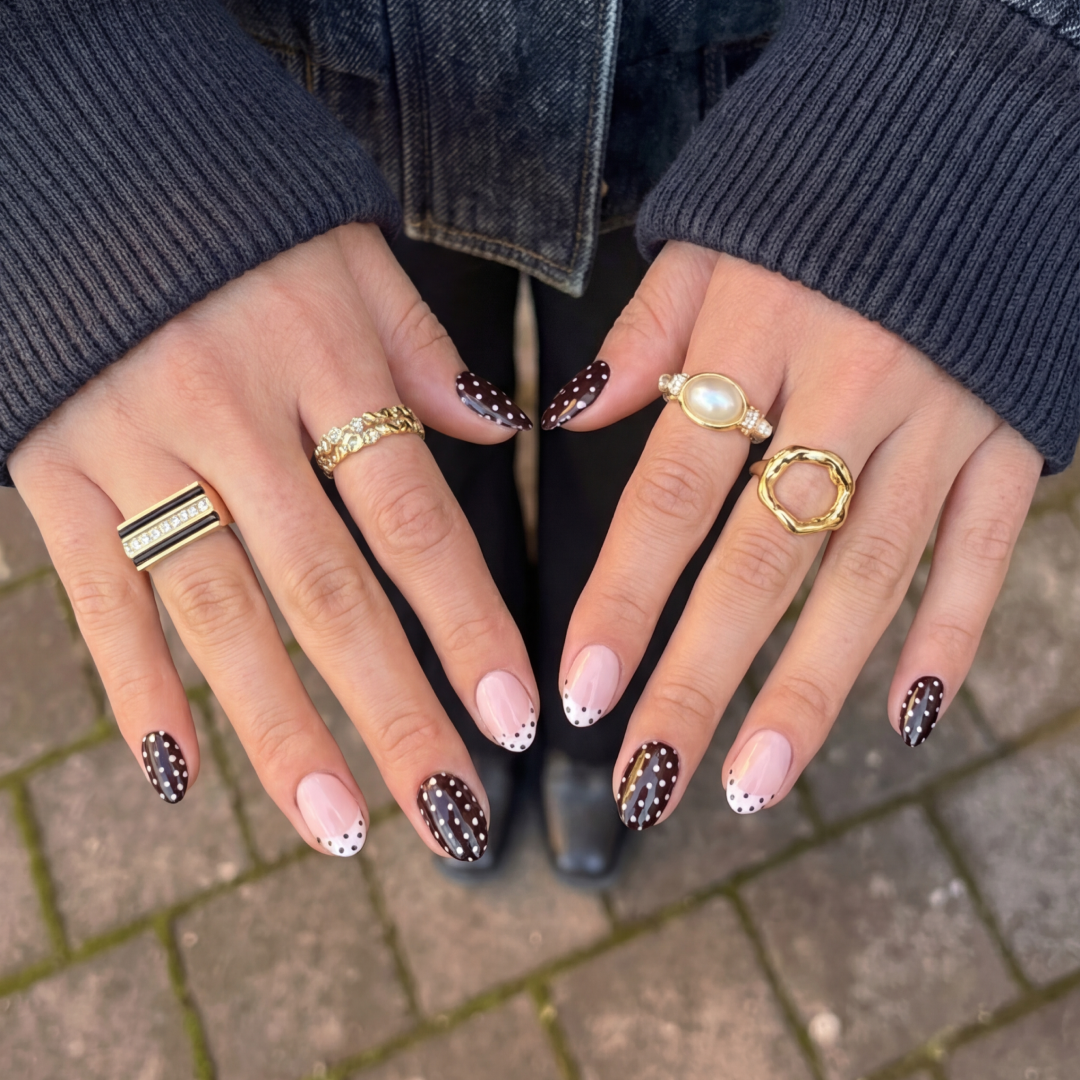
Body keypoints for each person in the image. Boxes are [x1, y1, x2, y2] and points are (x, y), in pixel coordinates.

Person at [1, 1, 1075, 883]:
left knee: (653, 479)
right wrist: (55, 88)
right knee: (395, 486)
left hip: (749, 109)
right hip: (286, 110)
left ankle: (597, 731)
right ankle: (471, 717)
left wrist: (985, 72)